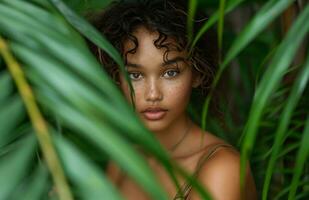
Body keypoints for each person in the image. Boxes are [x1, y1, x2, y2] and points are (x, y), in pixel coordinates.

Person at [87, 0, 257, 199]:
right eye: (135, 75)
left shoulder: (223, 168)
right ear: (117, 77)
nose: (153, 94)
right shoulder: (124, 160)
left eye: (170, 73)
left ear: (197, 73)